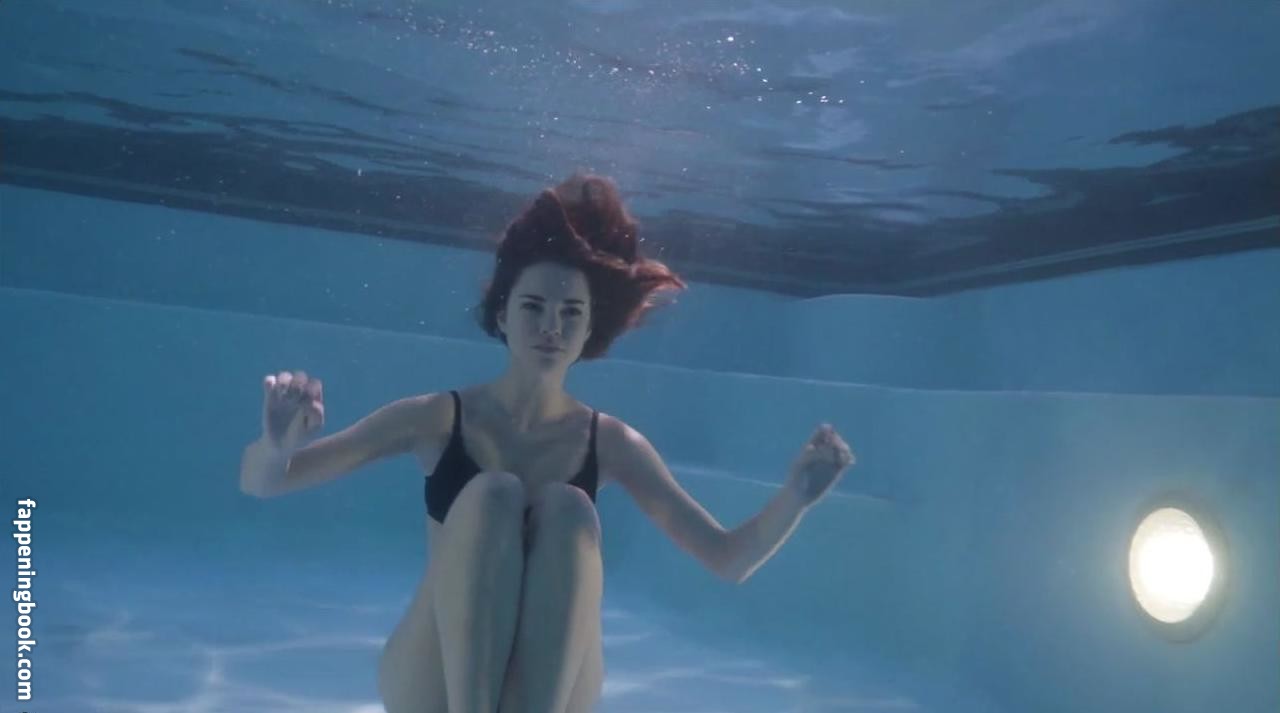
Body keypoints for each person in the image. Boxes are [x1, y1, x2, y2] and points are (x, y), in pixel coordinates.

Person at [238, 173, 856, 713]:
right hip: (436, 683)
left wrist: (796, 497)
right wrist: (275, 444)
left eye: (570, 314)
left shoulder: (612, 443)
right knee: (492, 496)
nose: (551, 327)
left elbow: (727, 558)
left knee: (569, 509)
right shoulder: (434, 418)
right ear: (501, 314)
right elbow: (264, 483)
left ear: (590, 331)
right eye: (533, 307)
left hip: (547, 693)